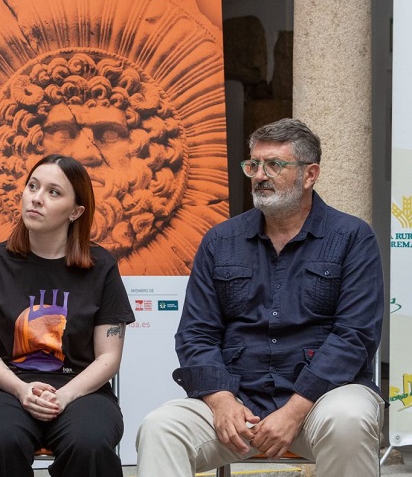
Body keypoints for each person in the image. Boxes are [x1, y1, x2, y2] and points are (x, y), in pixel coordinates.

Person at [135, 118, 385, 476]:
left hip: (322, 401)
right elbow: (196, 334)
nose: (259, 175)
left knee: (350, 419)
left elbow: (355, 335)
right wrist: (221, 401)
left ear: (310, 175)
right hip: (238, 402)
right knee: (161, 428)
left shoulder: (351, 237)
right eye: (253, 165)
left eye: (274, 165)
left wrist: (295, 410)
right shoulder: (221, 241)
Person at [0, 154, 136, 477]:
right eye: (32, 186)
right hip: (8, 389)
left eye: (54, 192)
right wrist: (20, 390)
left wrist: (65, 395)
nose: (37, 198)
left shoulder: (102, 267)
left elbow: (109, 357)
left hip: (82, 391)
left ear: (76, 211)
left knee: (91, 443)